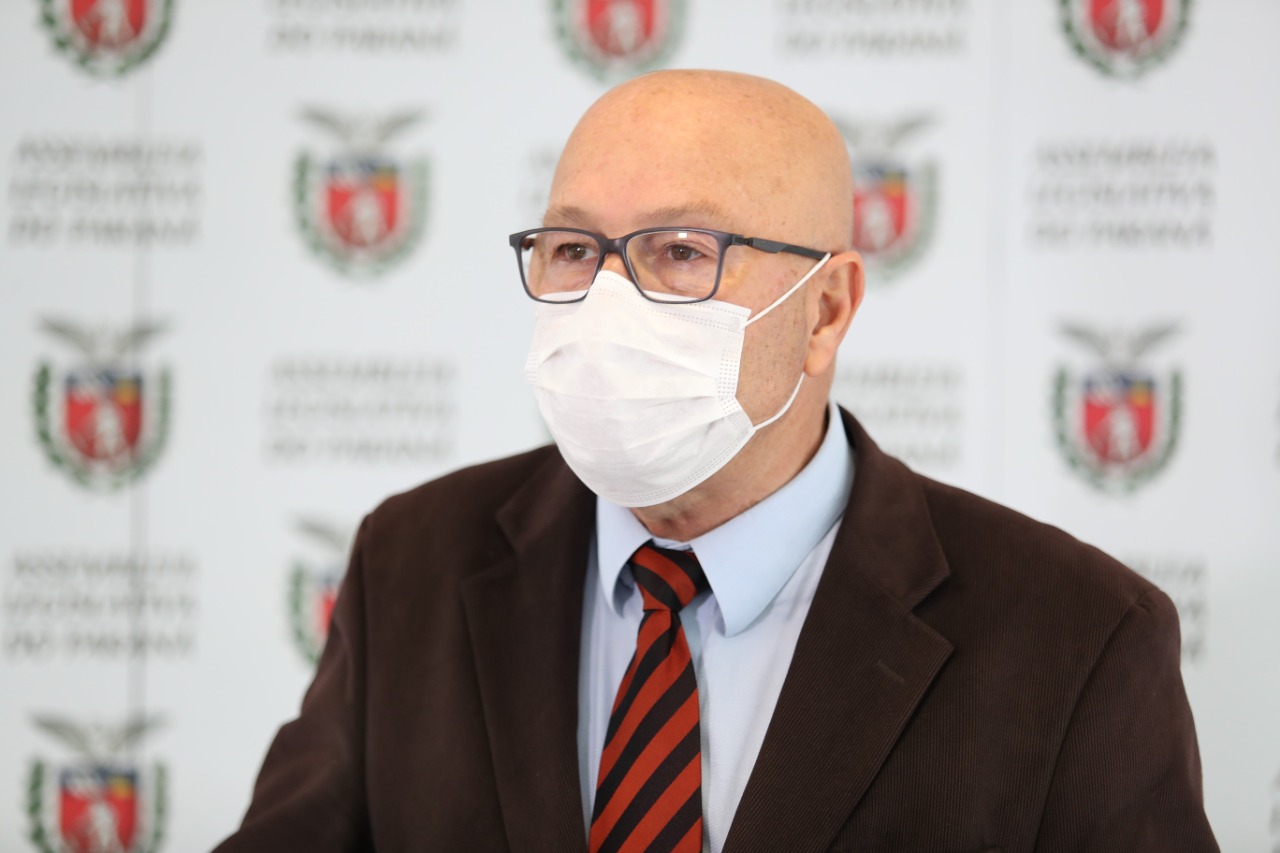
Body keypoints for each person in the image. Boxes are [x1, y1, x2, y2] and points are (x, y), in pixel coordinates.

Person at [214, 70, 1217, 852]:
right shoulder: (414, 560)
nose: (608, 304)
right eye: (573, 250)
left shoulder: (1078, 637)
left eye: (680, 252)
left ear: (825, 310)